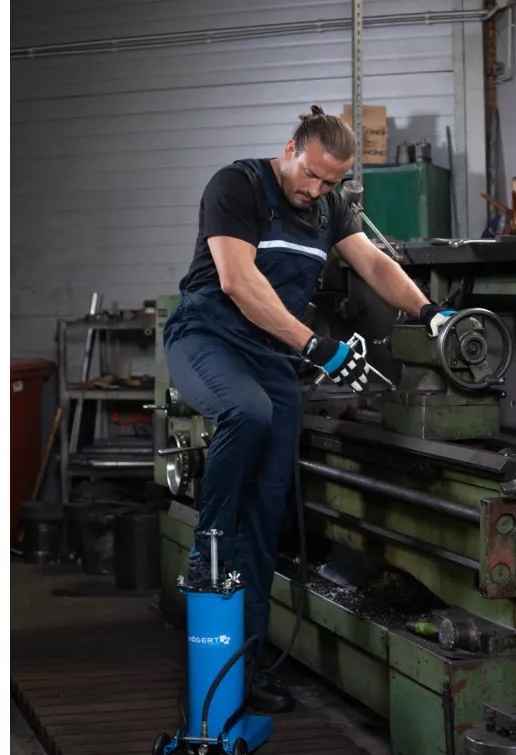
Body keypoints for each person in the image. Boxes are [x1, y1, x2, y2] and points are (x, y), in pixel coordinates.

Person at [162, 105, 456, 714]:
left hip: (272, 355)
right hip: (208, 336)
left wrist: (431, 314)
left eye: (331, 182)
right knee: (247, 413)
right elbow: (238, 281)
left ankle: (245, 672)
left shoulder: (330, 207)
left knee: (267, 516)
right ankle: (208, 543)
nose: (317, 190)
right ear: (291, 148)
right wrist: (315, 346)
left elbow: (373, 263)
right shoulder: (238, 185)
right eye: (312, 175)